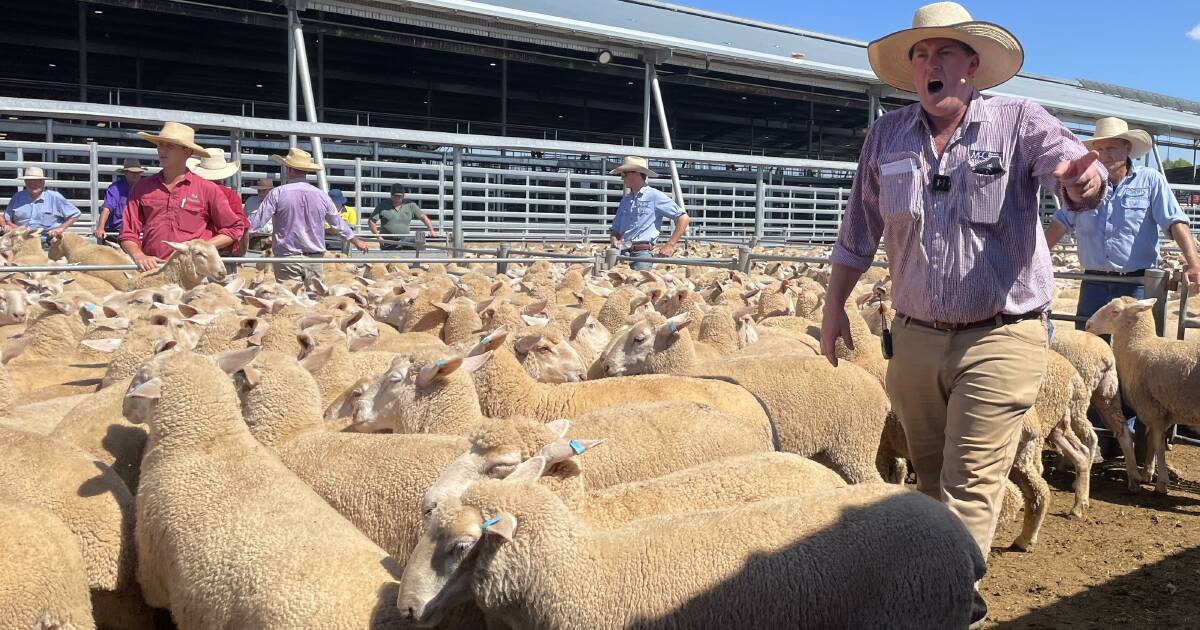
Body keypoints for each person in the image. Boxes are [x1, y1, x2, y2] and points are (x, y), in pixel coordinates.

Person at [819, 4, 1107, 627]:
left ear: (972, 65)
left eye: (945, 53)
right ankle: (944, 588)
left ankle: (947, 610)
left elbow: (1071, 169)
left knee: (971, 482)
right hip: (915, 338)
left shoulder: (1019, 122)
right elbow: (857, 232)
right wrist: (833, 306)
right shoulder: (886, 137)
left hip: (1001, 335)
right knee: (927, 481)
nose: (932, 64)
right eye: (921, 55)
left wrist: (1084, 182)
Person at [1045, 116, 1200, 327]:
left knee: (1134, 348)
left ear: (1127, 148)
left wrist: (1194, 263)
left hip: (1135, 283)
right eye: (1098, 149)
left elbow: (1174, 221)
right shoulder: (1086, 185)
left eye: (1111, 148)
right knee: (1088, 346)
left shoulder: (1150, 180)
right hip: (1094, 283)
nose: (1104, 155)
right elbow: (1061, 222)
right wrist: (1036, 261)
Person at [120, 122, 245, 272]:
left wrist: (200, 248)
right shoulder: (141, 188)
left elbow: (234, 228)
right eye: (160, 145)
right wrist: (138, 255)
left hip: (192, 271)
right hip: (153, 269)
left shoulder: (207, 189)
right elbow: (128, 233)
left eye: (170, 146)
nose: (162, 150)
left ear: (187, 151)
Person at [247, 147, 369, 283]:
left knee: (290, 299)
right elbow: (337, 222)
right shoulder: (321, 195)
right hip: (314, 258)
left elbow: (257, 223)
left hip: (287, 258)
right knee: (313, 299)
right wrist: (356, 241)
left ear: (290, 169)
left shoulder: (277, 193)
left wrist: (237, 238)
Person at [607, 156, 689, 271]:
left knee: (640, 285)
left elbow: (683, 218)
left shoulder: (654, 196)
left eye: (624, 174)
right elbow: (615, 229)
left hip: (641, 254)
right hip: (622, 253)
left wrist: (670, 245)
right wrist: (614, 239)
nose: (622, 178)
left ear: (635, 173)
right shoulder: (626, 200)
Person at [187, 147, 249, 255]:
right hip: (221, 250)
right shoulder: (229, 195)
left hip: (193, 249)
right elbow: (242, 225)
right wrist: (240, 251)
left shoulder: (189, 191)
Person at [3, 166, 81, 248]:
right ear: (25, 182)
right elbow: (7, 219)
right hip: (21, 241)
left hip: (48, 242)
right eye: (30, 181)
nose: (34, 184)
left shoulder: (54, 197)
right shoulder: (17, 197)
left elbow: (75, 214)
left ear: (43, 182)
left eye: (38, 181)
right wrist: (15, 229)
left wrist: (60, 228)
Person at [367, 183, 437, 251]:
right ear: (391, 195)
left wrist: (431, 230)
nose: (397, 198)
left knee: (420, 240)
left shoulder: (410, 205)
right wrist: (378, 237)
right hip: (388, 242)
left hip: (405, 240)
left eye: (399, 196)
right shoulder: (383, 205)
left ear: (403, 196)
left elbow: (423, 217)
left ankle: (420, 260)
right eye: (395, 196)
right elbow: (371, 221)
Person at [95, 158, 146, 244]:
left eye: (138, 173)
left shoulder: (145, 188)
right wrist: (100, 228)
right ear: (125, 173)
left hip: (137, 231)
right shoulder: (115, 188)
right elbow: (107, 208)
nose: (136, 175)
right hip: (116, 231)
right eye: (132, 172)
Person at [243, 177, 274, 252]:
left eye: (263, 190)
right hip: (252, 239)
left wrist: (273, 238)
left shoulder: (277, 203)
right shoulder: (250, 201)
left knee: (270, 263)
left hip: (270, 239)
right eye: (259, 190)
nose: (260, 192)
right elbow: (244, 220)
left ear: (270, 190)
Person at [324, 189, 358, 254]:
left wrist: (330, 230)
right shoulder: (323, 211)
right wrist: (341, 228)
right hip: (326, 244)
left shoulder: (350, 211)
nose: (336, 204)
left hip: (344, 244)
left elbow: (350, 229)